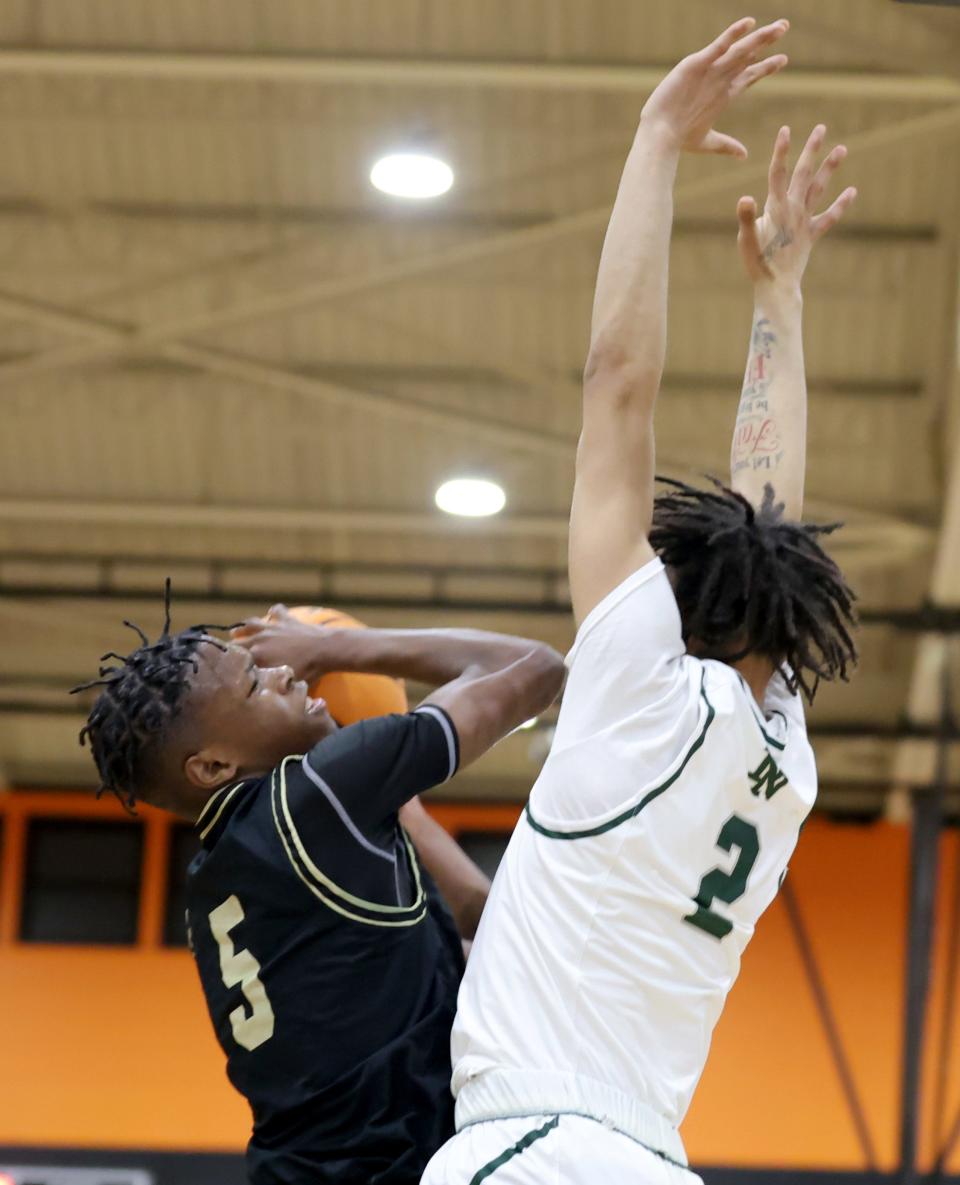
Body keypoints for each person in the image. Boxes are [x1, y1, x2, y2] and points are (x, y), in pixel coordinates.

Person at [422, 18, 859, 1185]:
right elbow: (770, 530)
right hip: (649, 1159)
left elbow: (617, 388)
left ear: (682, 612)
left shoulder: (636, 697)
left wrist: (657, 139)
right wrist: (780, 301)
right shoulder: (783, 762)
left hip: (529, 1151)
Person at [72, 596, 565, 1184]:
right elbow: (536, 667)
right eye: (256, 684)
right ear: (211, 766)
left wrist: (393, 799)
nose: (289, 671)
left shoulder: (216, 885)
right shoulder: (315, 797)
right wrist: (337, 647)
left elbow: (476, 927)